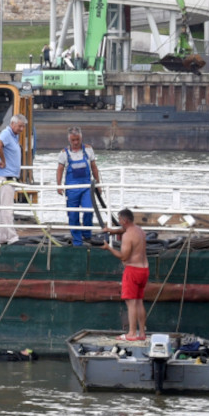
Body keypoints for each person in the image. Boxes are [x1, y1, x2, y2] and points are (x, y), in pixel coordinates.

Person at [103, 209, 149, 341]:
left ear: (124, 220)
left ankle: (131, 333)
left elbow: (123, 256)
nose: (119, 222)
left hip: (132, 270)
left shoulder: (127, 236)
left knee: (131, 303)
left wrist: (109, 248)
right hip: (144, 270)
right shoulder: (140, 231)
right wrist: (112, 231)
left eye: (119, 219)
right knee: (139, 302)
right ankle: (141, 333)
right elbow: (124, 230)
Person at [55, 126, 101, 246]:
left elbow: (94, 167)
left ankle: (87, 235)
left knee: (88, 209)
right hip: (71, 188)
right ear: (69, 140)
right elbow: (60, 169)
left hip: (86, 187)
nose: (76, 142)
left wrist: (98, 183)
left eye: (78, 140)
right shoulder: (64, 153)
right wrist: (59, 185)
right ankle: (77, 240)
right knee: (73, 213)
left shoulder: (88, 150)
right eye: (73, 140)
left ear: (81, 138)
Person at [0, 114, 26, 245]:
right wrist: (3, 161)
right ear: (12, 124)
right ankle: (12, 238)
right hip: (5, 177)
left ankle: (1, 237)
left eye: (23, 126)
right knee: (6, 209)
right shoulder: (7, 133)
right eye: (20, 126)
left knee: (3, 209)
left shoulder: (14, 136)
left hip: (9, 177)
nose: (22, 129)